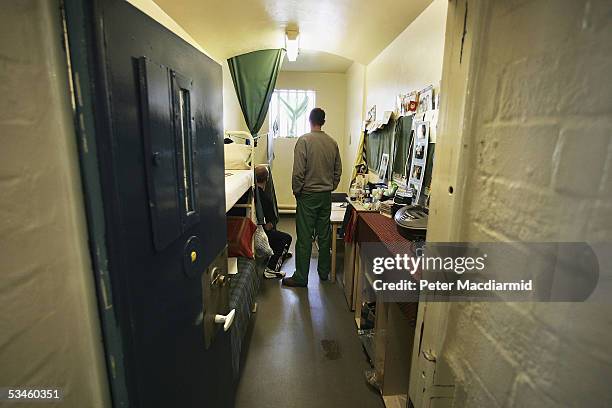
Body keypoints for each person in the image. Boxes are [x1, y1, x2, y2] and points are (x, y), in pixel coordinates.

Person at [282, 108, 342, 287]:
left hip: (307, 196)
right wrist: (331, 186)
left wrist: (297, 191)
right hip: (325, 196)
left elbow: (298, 171)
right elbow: (338, 170)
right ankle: (324, 272)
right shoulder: (332, 143)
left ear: (309, 120)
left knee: (304, 237)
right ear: (323, 121)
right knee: (324, 235)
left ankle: (301, 277)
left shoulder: (304, 141)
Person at [254, 165, 292, 279]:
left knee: (276, 234)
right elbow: (270, 225)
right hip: (262, 233)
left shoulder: (254, 193)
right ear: (267, 178)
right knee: (286, 238)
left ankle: (280, 252)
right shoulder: (265, 198)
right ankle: (271, 268)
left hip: (254, 229)